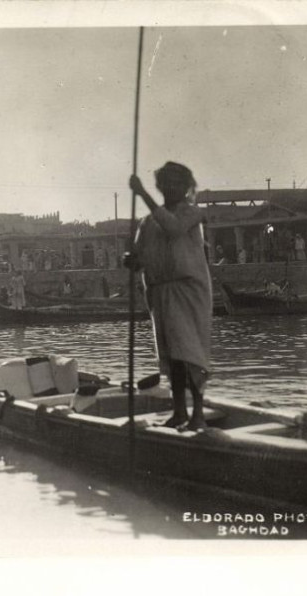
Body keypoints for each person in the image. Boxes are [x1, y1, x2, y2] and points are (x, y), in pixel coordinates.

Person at [128, 161, 212, 432]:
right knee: (171, 354)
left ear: (187, 187)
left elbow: (173, 228)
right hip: (159, 291)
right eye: (167, 183)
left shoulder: (193, 213)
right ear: (161, 185)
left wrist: (141, 194)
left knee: (189, 351)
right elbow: (140, 257)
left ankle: (198, 413)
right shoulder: (147, 222)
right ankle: (179, 411)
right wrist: (131, 260)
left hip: (187, 289)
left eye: (178, 183)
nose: (172, 188)